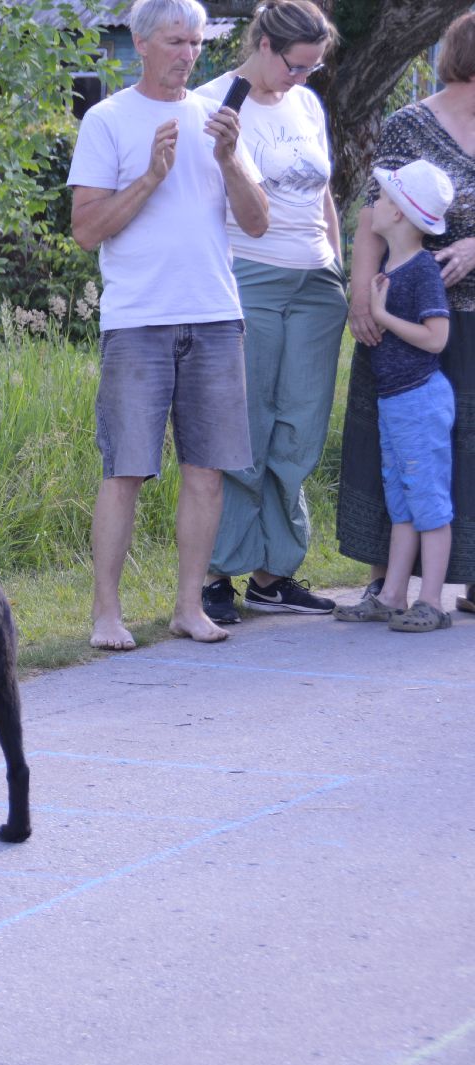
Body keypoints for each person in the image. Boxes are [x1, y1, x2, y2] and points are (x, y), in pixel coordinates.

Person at [66, 0, 270, 651]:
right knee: (125, 468)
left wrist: (233, 160)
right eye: (177, 41)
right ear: (142, 42)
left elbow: (259, 222)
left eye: (196, 41)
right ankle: (106, 614)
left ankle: (188, 606)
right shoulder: (107, 120)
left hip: (214, 315)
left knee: (208, 471)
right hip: (138, 321)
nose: (188, 53)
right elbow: (86, 230)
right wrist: (152, 177)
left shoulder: (217, 118)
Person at [194, 0, 347, 625]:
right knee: (246, 428)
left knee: (300, 429)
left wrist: (335, 264)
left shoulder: (307, 102)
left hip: (315, 281)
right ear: (262, 43)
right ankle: (215, 574)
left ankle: (273, 573)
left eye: (313, 68)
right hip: (247, 275)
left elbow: (324, 192)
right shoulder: (214, 101)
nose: (302, 78)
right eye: (296, 65)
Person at [337, 11, 475, 616]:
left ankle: (466, 583)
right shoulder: (409, 125)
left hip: (466, 317)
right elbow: (376, 211)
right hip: (404, 315)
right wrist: (362, 291)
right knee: (394, 446)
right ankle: (385, 580)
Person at [333, 160, 456, 631]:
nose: (374, 208)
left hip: (420, 400)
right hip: (395, 401)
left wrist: (382, 317)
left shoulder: (421, 270)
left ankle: (432, 602)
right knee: (402, 501)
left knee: (428, 501)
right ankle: (391, 595)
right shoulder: (392, 265)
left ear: (400, 214)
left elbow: (436, 338)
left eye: (382, 200)